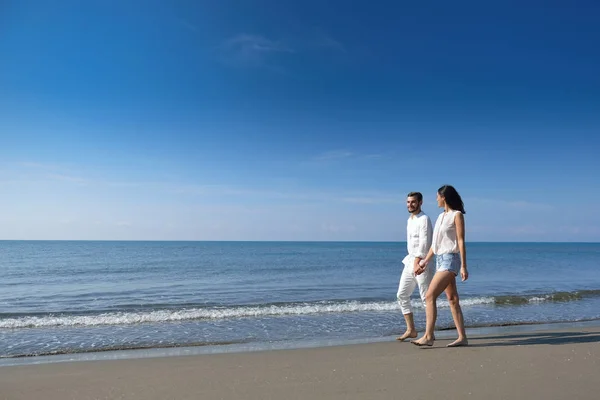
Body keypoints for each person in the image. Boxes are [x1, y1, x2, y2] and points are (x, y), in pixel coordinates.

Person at [411, 185, 469, 347]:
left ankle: (428, 336)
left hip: (451, 260)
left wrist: (464, 266)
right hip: (440, 260)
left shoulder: (456, 215)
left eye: (437, 196)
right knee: (452, 299)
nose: (436, 199)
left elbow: (461, 241)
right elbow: (435, 245)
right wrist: (424, 262)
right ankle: (462, 337)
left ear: (444, 197)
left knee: (429, 296)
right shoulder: (440, 217)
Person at [395, 192, 433, 341]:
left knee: (426, 298)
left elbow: (425, 243)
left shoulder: (425, 219)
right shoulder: (409, 220)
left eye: (413, 202)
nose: (410, 205)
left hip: (422, 262)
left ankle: (429, 333)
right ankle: (411, 330)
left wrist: (418, 261)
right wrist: (413, 261)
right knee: (402, 295)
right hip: (409, 261)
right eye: (408, 202)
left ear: (420, 202)